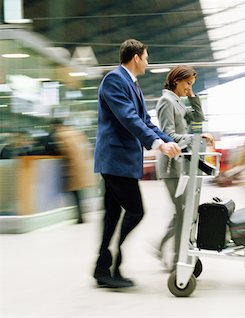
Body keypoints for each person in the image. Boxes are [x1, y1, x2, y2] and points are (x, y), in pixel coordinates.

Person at [93, 39, 181, 289]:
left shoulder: (132, 84)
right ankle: (111, 264)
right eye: (146, 57)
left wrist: (169, 141)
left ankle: (103, 268)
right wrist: (157, 144)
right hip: (115, 160)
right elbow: (128, 118)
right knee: (136, 210)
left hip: (121, 162)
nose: (147, 62)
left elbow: (146, 121)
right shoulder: (114, 80)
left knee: (112, 215)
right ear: (136, 58)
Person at [155, 65, 214, 270]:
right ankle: (177, 261)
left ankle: (164, 247)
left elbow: (198, 118)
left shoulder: (178, 102)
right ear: (176, 80)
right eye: (187, 83)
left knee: (182, 211)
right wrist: (196, 137)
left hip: (180, 166)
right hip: (171, 167)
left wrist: (192, 95)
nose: (189, 88)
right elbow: (167, 136)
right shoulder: (166, 101)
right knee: (183, 212)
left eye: (192, 85)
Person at [49, 119, 96, 224]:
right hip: (81, 168)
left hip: (71, 169)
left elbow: (63, 151)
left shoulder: (61, 135)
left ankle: (80, 216)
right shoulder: (77, 133)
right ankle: (81, 215)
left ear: (57, 126)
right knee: (78, 193)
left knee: (74, 193)